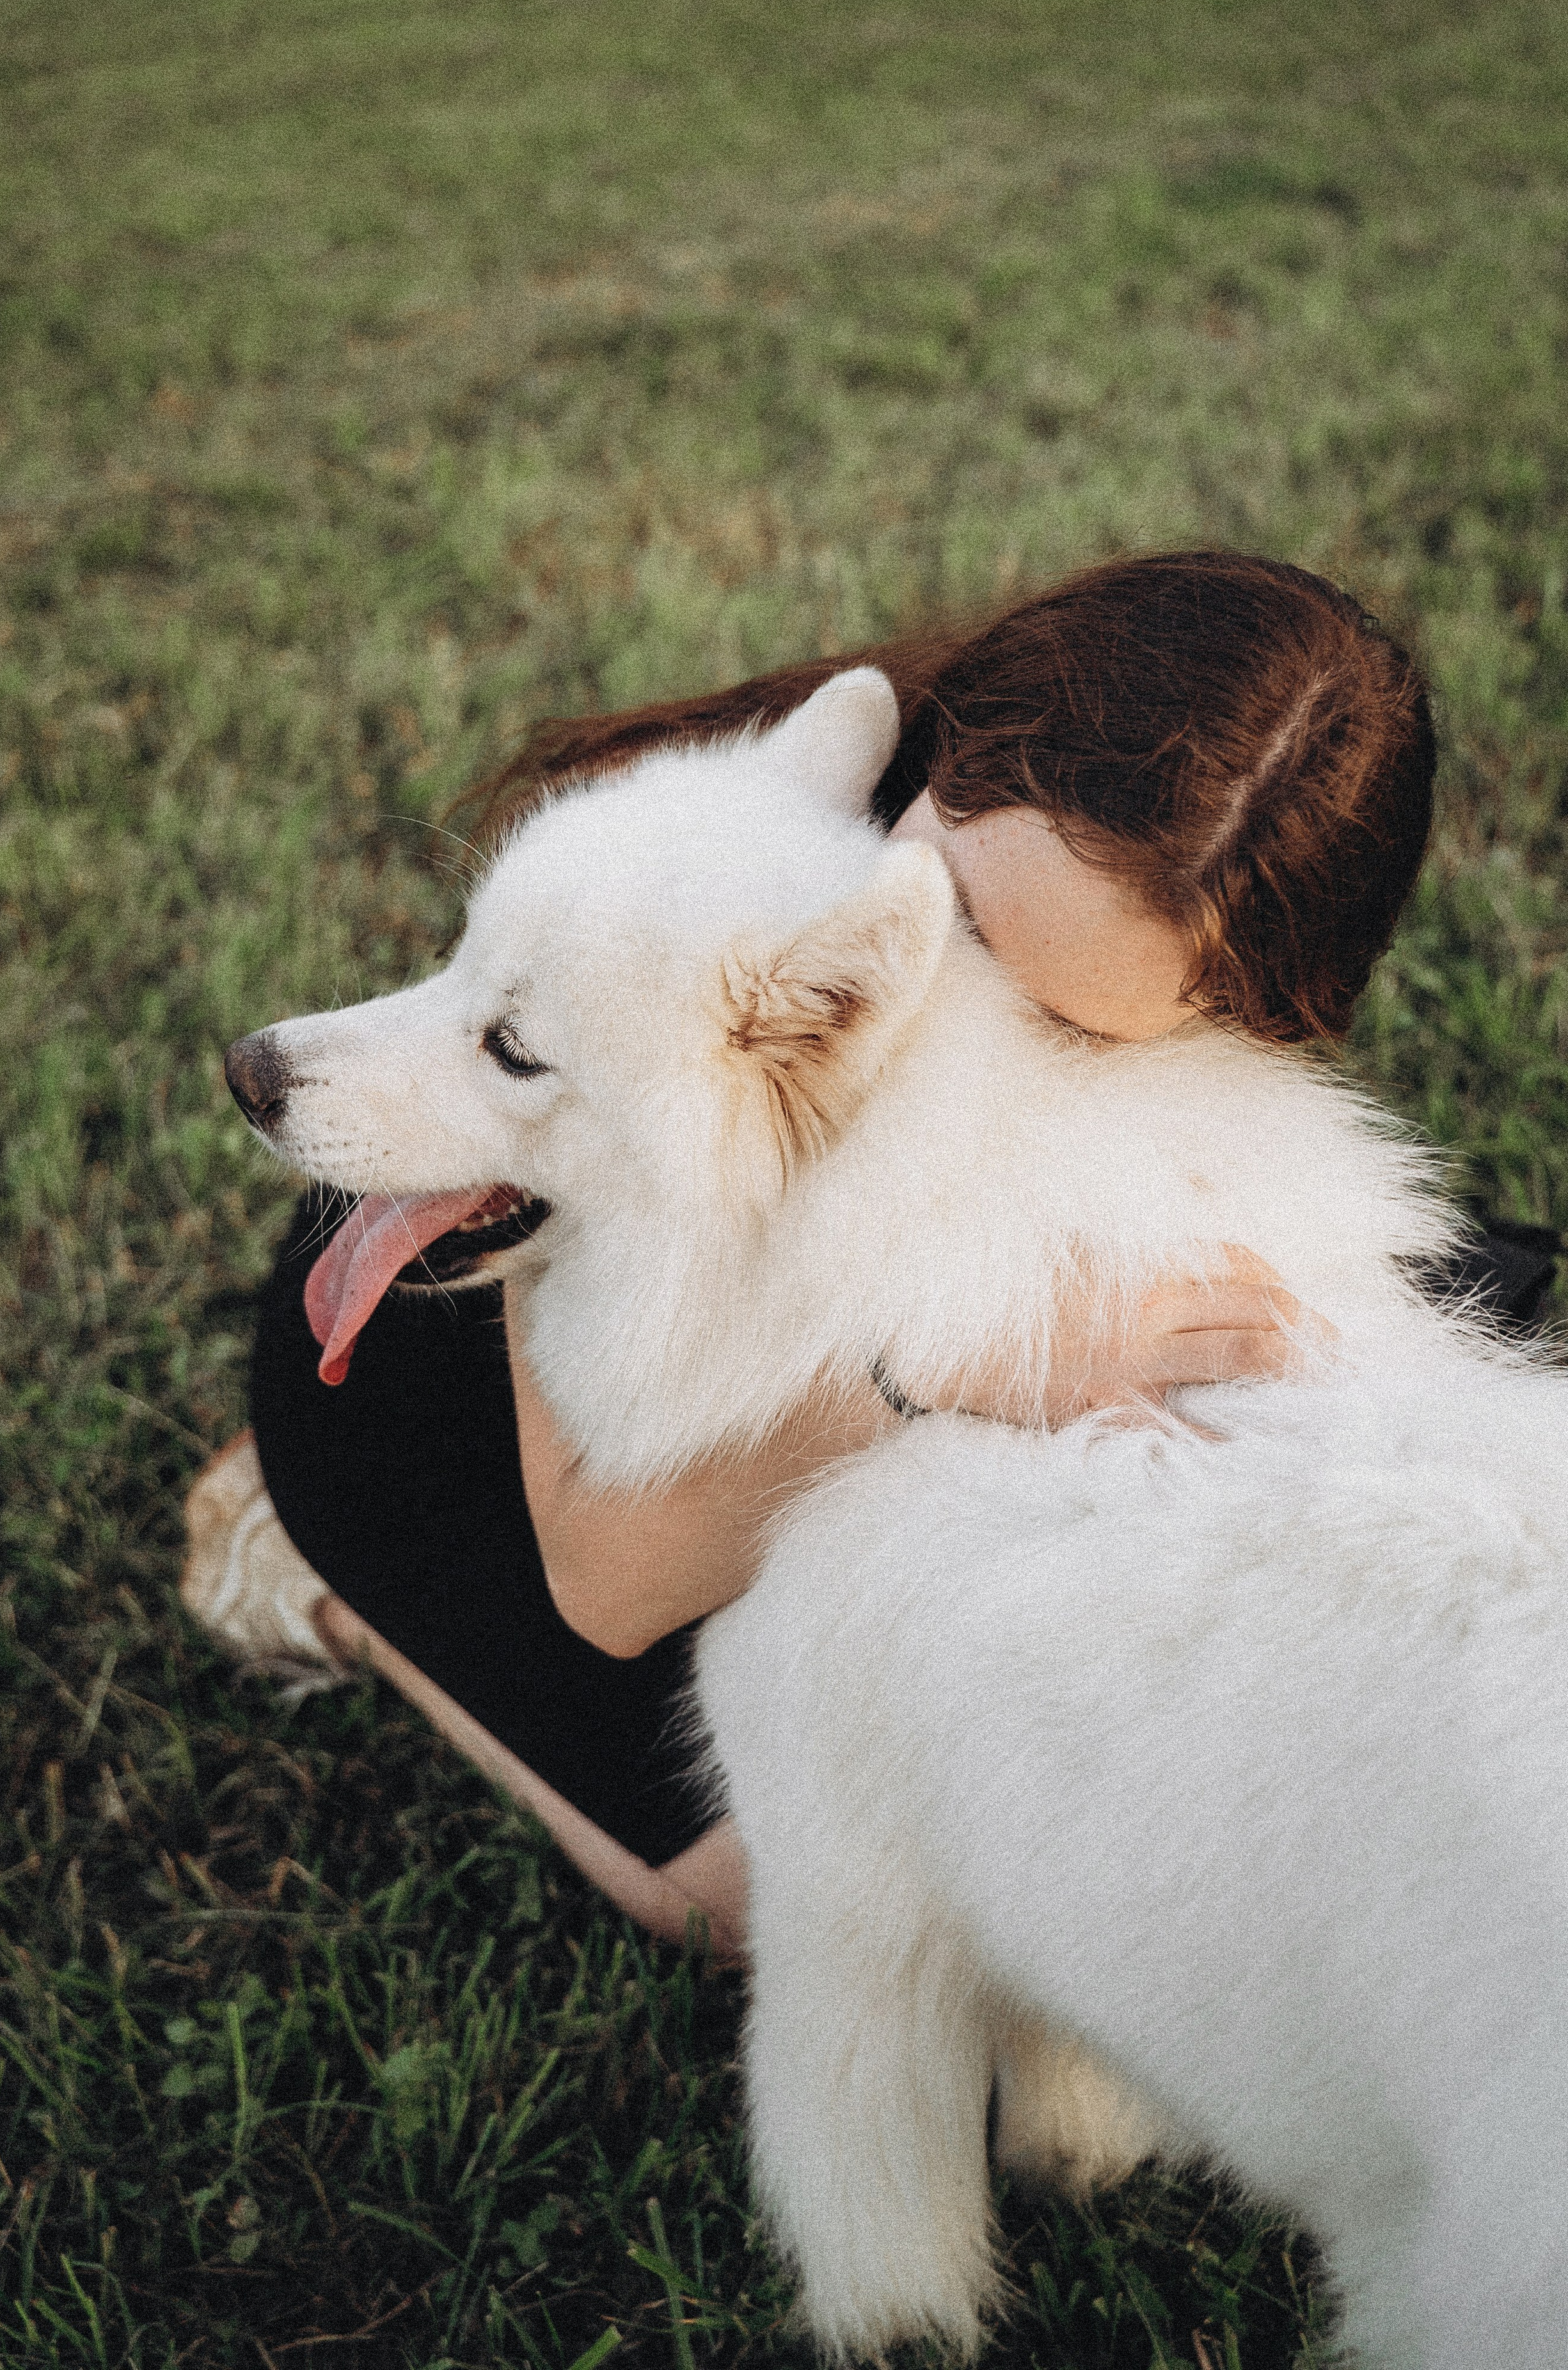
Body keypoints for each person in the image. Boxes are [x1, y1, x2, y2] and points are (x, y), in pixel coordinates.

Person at [183, 550, 1558, 1952]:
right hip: (483, 1346)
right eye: (948, 912)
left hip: (755, 1329)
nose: (936, 998)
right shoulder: (706, 849)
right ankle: (316, 1575)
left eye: (1057, 1014)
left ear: (1239, 1018)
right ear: (939, 755)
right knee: (775, 1894)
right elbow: (606, 1579)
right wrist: (942, 1376)